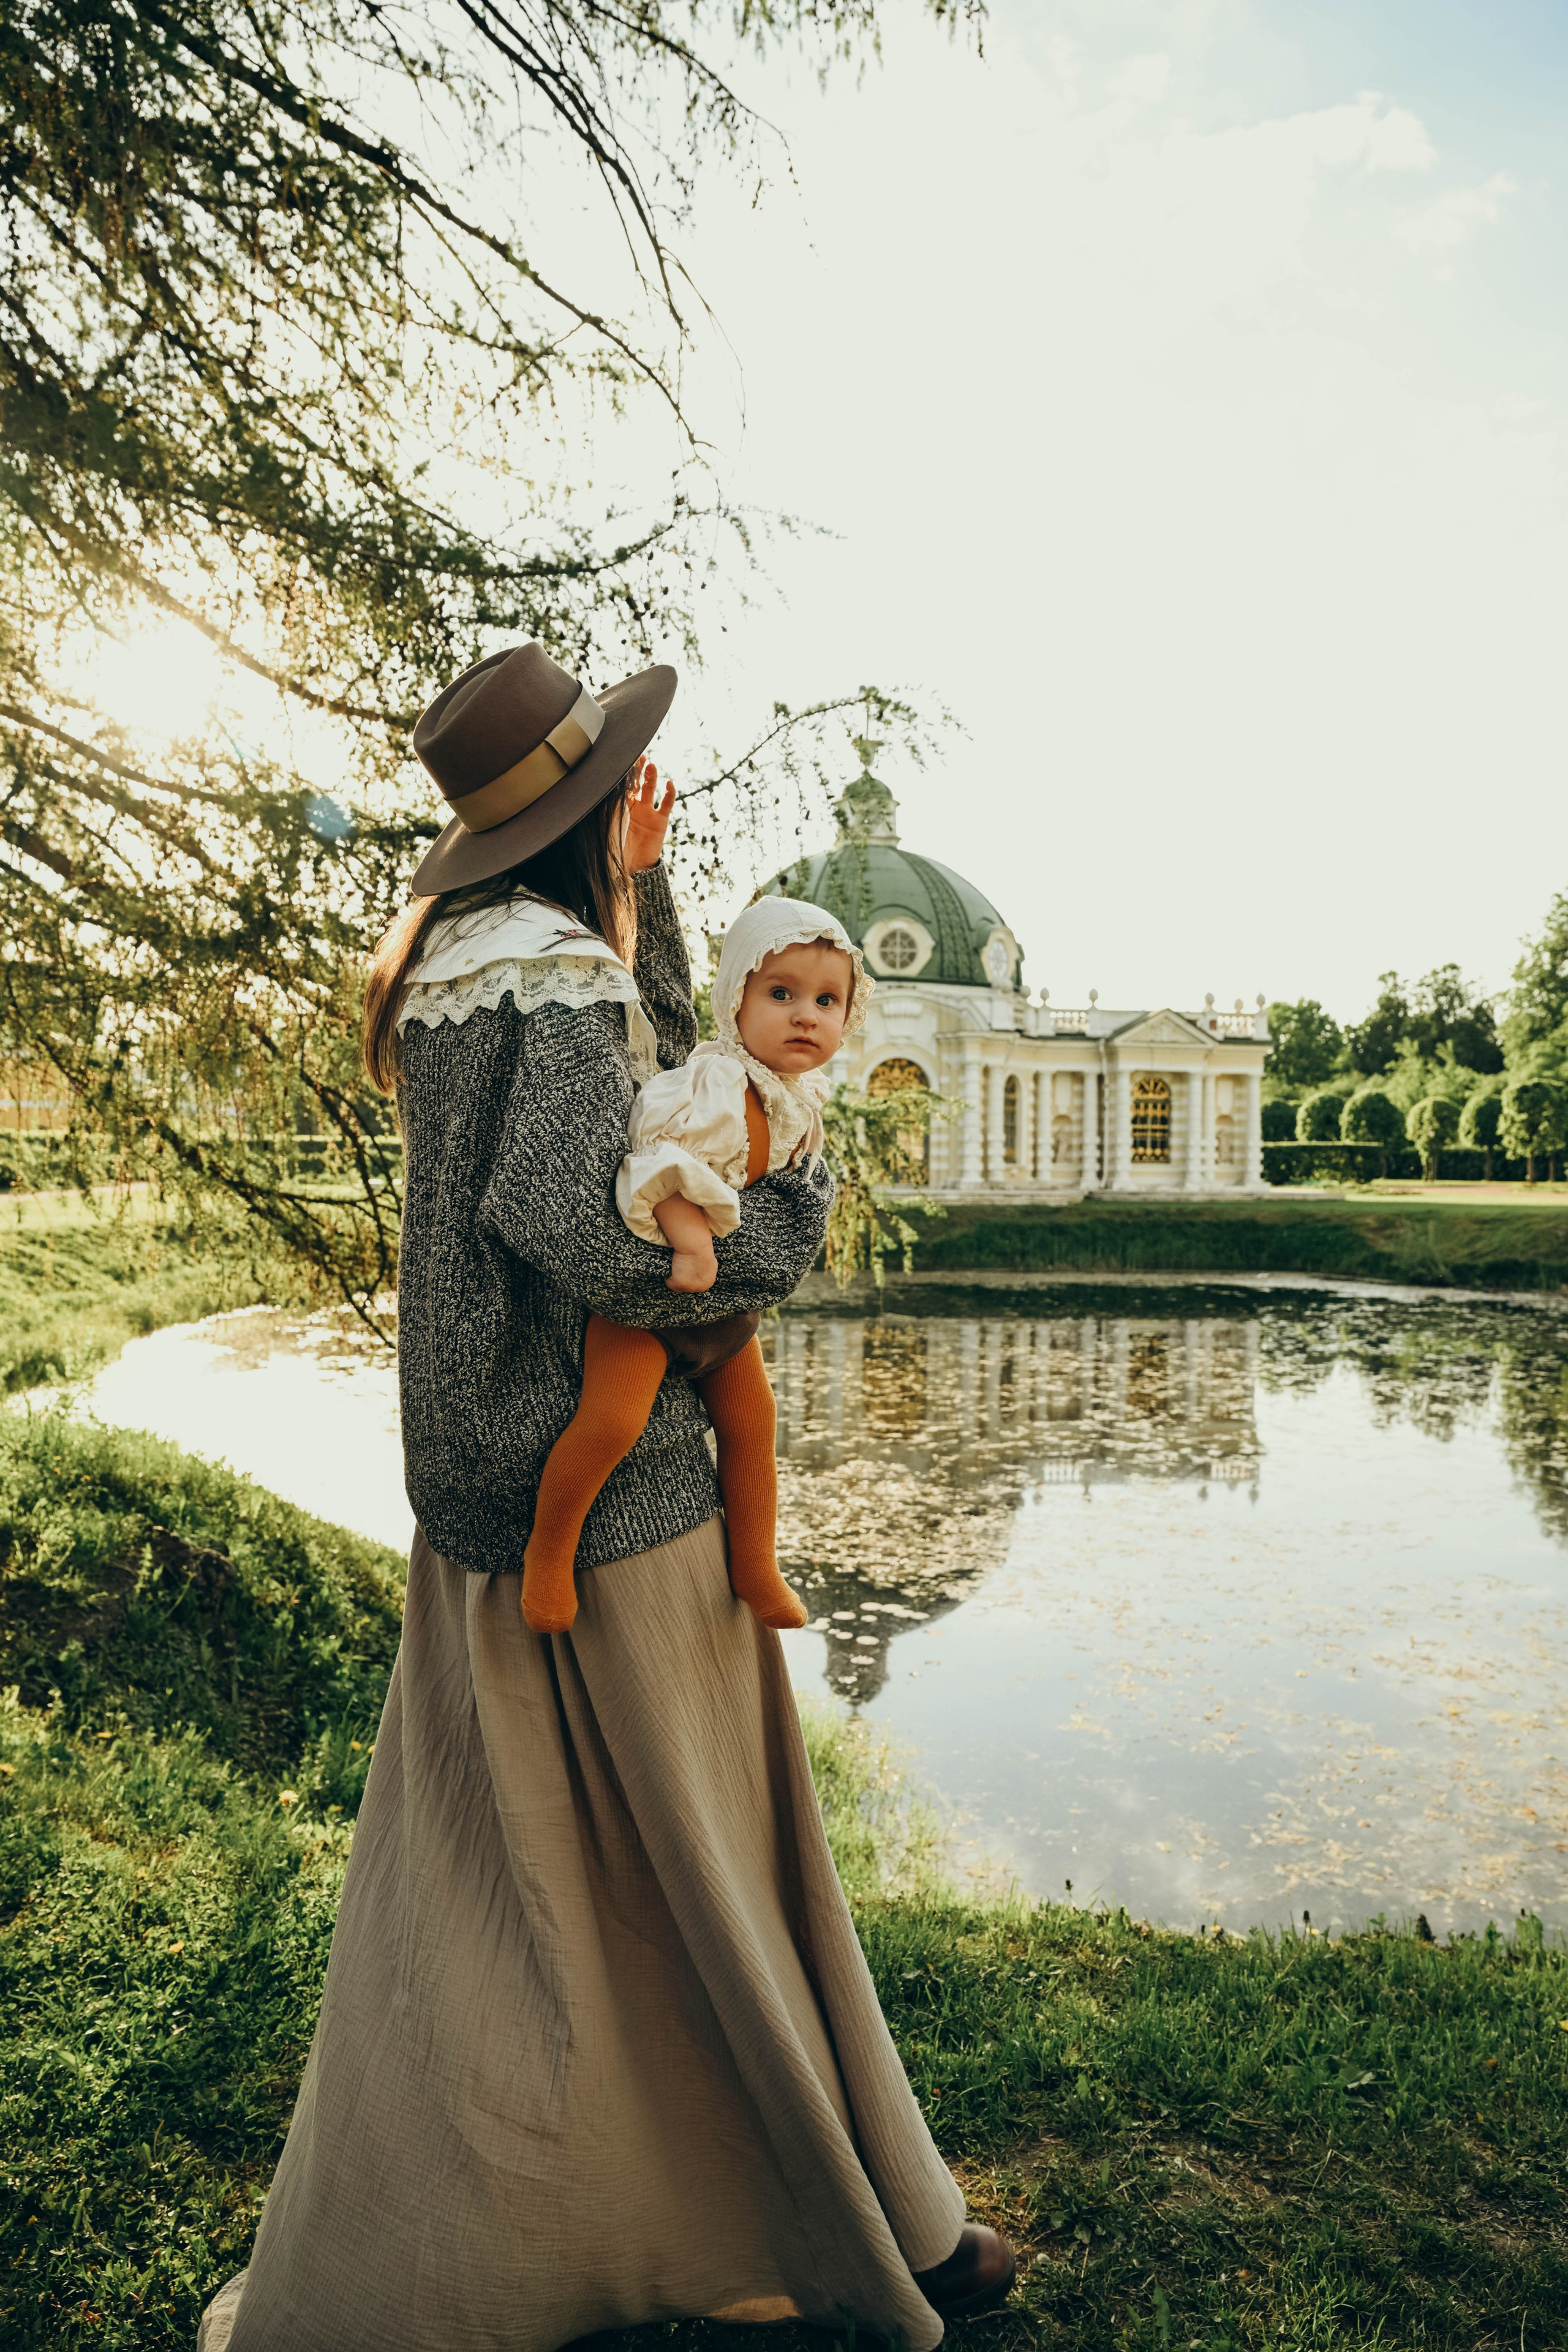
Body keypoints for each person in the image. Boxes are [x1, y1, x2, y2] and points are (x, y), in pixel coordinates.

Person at [198, 641, 1014, 2352]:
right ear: (578, 822)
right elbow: (585, 1212)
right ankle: (860, 2214)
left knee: (515, 1894)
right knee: (722, 1857)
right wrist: (789, 1226)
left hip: (476, 1469)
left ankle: (596, 2215)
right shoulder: (557, 974)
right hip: (621, 1477)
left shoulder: (455, 965)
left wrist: (626, 918)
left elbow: (583, 1114)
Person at [521, 894, 872, 1637]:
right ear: (734, 1001)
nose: (806, 1015)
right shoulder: (714, 1083)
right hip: (653, 1304)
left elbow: (788, 1190)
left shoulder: (798, 1100)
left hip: (723, 1312)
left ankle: (755, 1565)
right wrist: (689, 1238)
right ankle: (548, 1555)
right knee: (611, 1422)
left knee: (752, 1422)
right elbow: (654, 1160)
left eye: (827, 1000)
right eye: (781, 995)